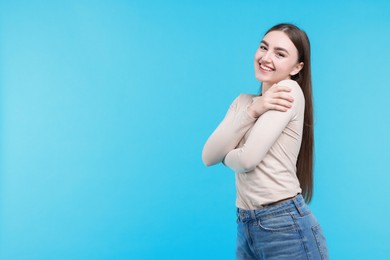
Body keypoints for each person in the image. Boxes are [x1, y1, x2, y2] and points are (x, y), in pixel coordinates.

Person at [202, 23, 329, 259]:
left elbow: (247, 160)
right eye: (263, 47)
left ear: (297, 67)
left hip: (285, 227)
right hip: (246, 224)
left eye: (280, 54)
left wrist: (226, 153)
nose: (266, 57)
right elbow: (208, 156)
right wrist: (252, 110)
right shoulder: (243, 102)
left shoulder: (288, 91)